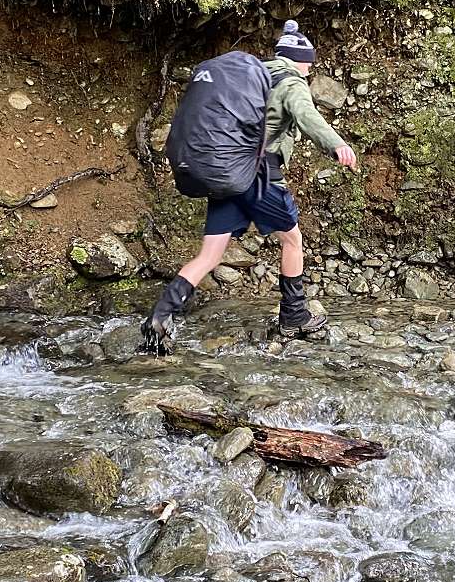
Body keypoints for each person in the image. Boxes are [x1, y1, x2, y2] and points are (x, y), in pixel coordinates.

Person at [143, 20, 358, 350]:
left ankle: (160, 315)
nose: (310, 68)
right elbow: (306, 115)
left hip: (229, 171)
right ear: (300, 60)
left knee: (210, 254)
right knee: (292, 240)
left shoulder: (253, 76)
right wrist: (337, 144)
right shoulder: (291, 82)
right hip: (258, 175)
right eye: (309, 61)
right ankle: (294, 316)